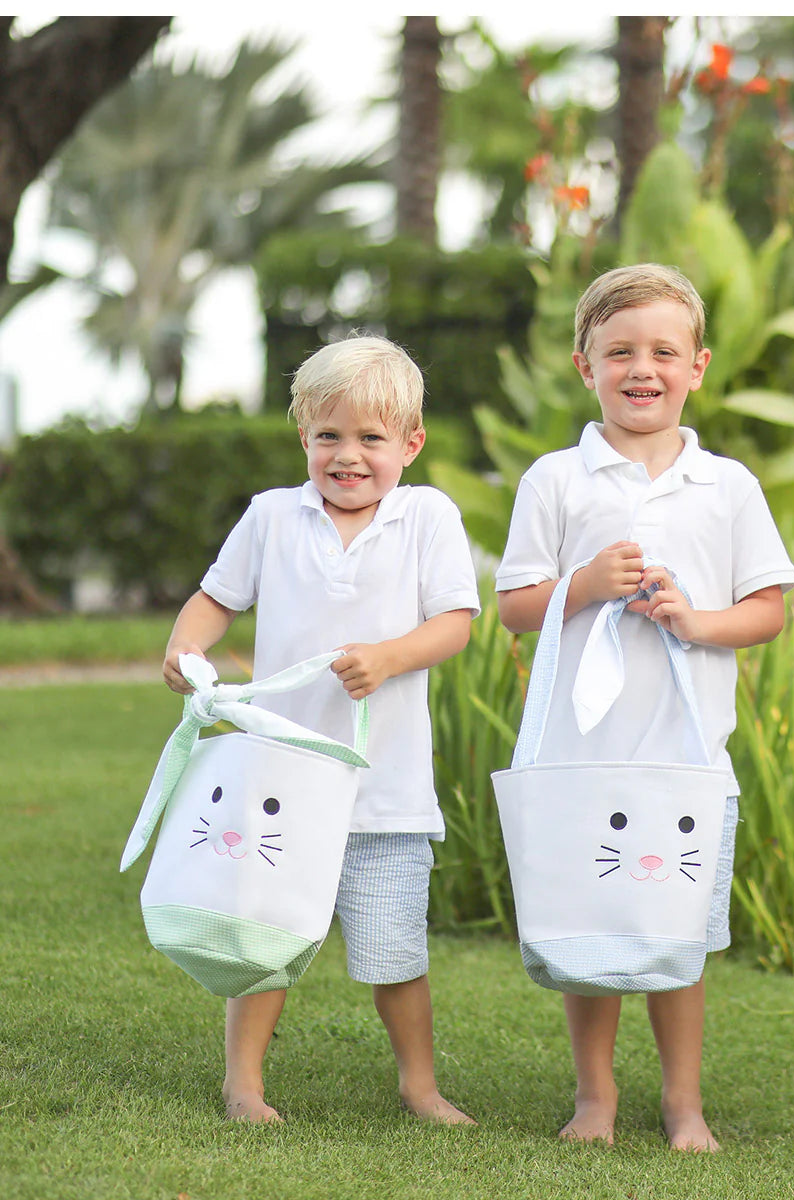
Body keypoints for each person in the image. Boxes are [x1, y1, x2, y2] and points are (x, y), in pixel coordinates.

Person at [494, 263, 794, 1152]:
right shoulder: (556, 479)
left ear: (697, 367)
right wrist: (585, 585)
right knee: (590, 927)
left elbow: (768, 609)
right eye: (619, 351)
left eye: (664, 352)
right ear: (584, 364)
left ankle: (682, 1102)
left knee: (675, 932)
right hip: (581, 754)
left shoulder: (727, 486)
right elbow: (515, 607)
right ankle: (595, 1097)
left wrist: (696, 621)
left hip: (685, 756)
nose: (642, 369)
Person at [161, 335, 481, 1125]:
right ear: (304, 435)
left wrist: (390, 656)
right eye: (328, 435)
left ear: (411, 444)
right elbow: (216, 598)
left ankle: (419, 1086)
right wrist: (186, 645)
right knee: (260, 936)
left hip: (385, 790)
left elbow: (455, 622)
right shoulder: (273, 515)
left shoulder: (427, 517)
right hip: (279, 787)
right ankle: (244, 1084)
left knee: (395, 953)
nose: (348, 455)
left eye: (371, 438)